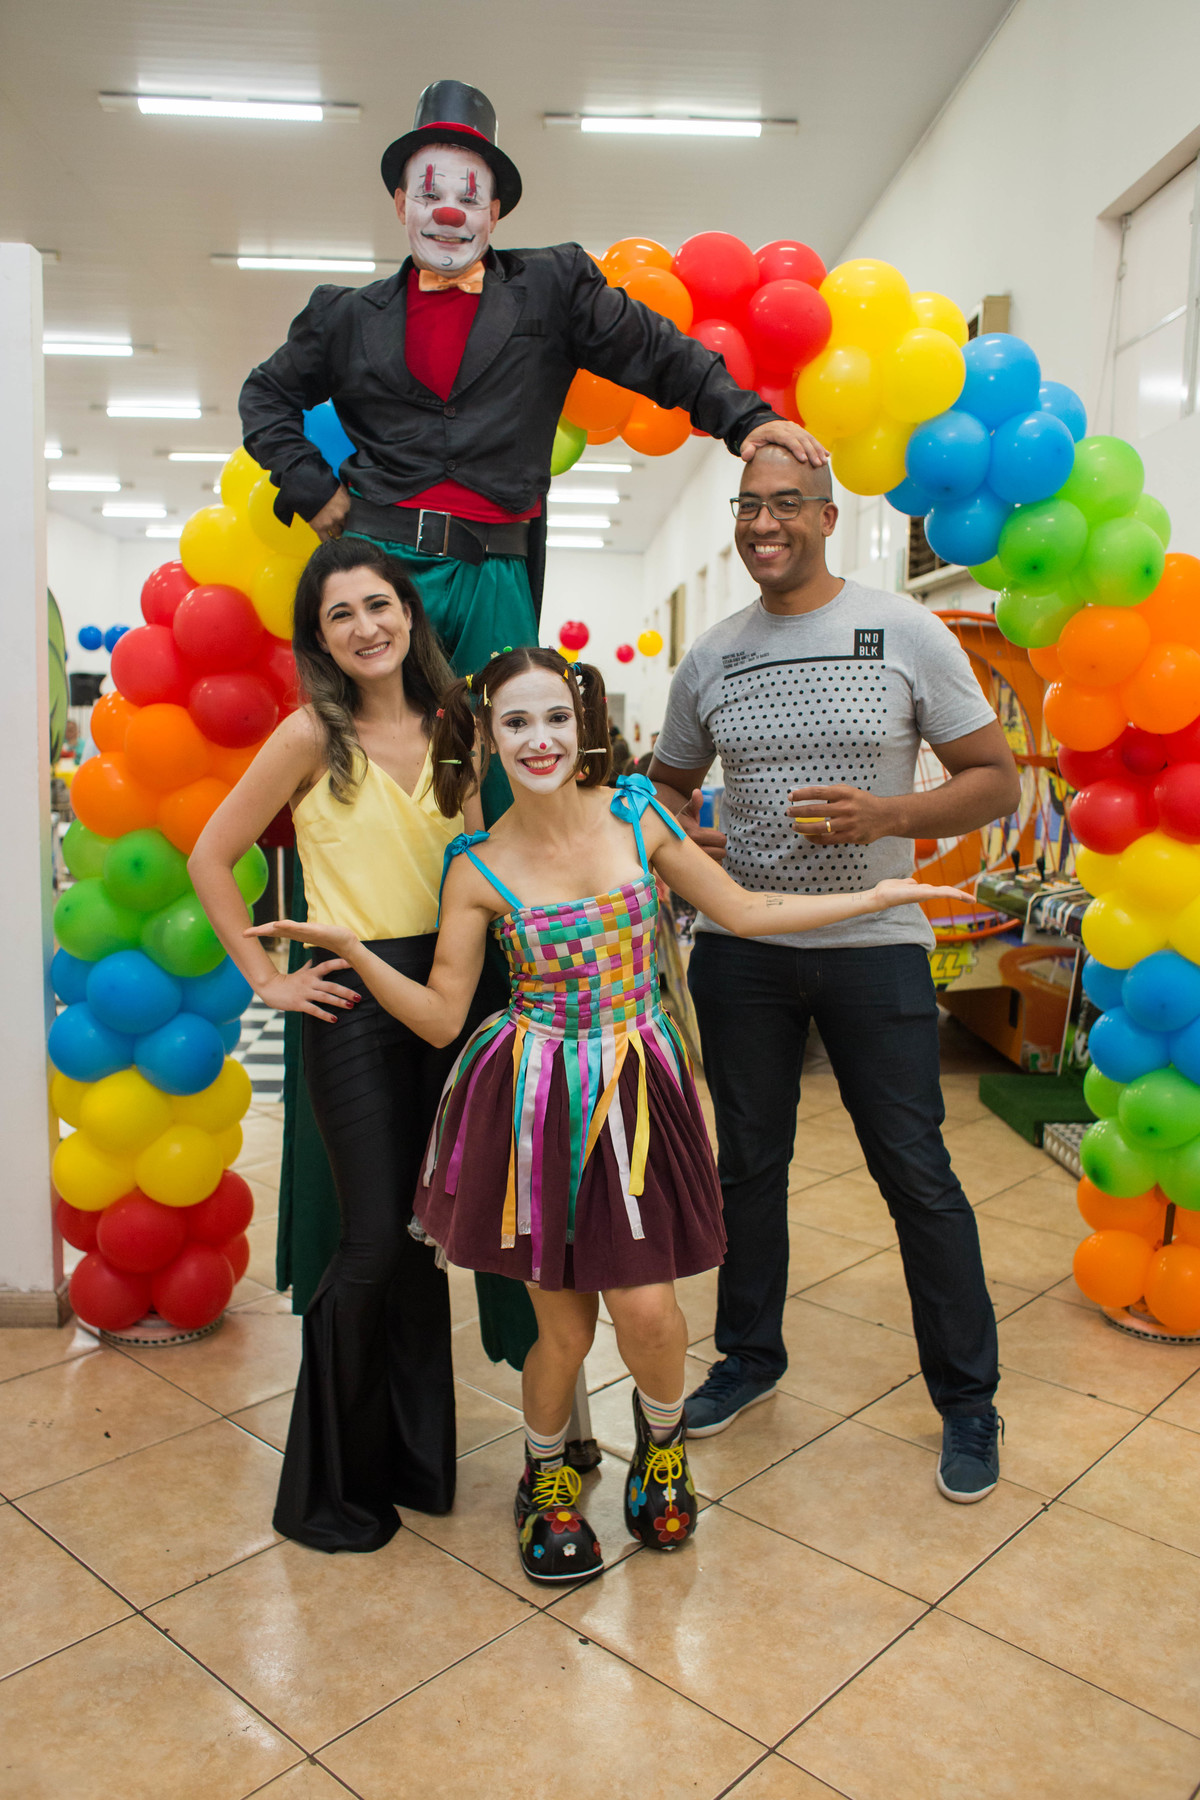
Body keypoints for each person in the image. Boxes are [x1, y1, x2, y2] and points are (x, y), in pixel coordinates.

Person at [248, 645, 970, 1581]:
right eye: (516, 722)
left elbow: (743, 912)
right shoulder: (476, 867)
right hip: (535, 1101)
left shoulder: (637, 815)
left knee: (650, 1311)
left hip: (638, 1089)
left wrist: (872, 899)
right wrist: (351, 947)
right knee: (564, 1331)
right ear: (488, 737)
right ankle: (546, 1477)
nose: (539, 739)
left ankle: (661, 1452)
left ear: (581, 721)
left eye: (555, 717)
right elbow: (438, 1016)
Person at [238, 78, 827, 805]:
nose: (447, 211)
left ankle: (489, 886)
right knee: (364, 773)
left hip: (495, 570)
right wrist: (312, 486)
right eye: (428, 193)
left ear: (494, 210)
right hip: (379, 567)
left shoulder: (552, 285)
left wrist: (745, 418)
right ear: (400, 203)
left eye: (468, 196)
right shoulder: (345, 315)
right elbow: (263, 395)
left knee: (502, 772)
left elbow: (655, 350)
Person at [649, 445, 1022, 1504]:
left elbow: (995, 780)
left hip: (875, 948)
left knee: (916, 1174)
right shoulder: (711, 657)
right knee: (747, 1168)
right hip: (744, 952)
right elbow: (661, 792)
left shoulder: (905, 630)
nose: (763, 524)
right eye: (748, 506)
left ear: (826, 516)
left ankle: (969, 1401)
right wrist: (684, 842)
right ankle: (748, 1357)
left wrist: (891, 814)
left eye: (785, 505)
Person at [189, 537, 485, 1552]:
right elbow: (212, 856)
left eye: (378, 605)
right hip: (352, 998)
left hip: (450, 991)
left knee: (422, 1237)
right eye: (340, 616)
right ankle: (325, 1487)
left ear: (408, 612)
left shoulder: (457, 725)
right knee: (369, 1239)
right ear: (319, 640)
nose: (365, 627)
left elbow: (482, 860)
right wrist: (267, 978)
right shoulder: (311, 734)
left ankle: (413, 1462)